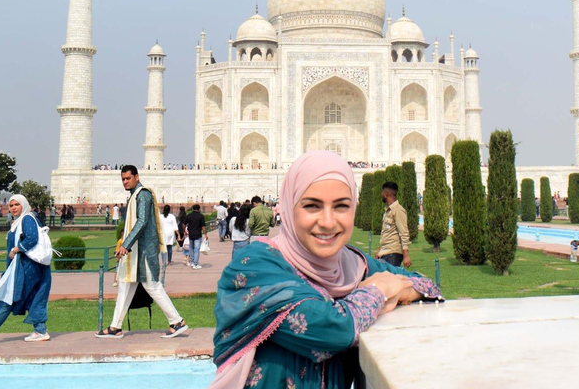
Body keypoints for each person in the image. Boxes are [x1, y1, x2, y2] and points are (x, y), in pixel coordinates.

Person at [209, 150, 442, 388]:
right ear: (290, 207)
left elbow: (428, 286)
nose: (328, 222)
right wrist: (379, 291)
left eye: (341, 206)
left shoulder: (352, 264)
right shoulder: (256, 266)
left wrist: (398, 290)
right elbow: (334, 330)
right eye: (312, 206)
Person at [96, 166, 187, 339]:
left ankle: (177, 321)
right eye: (123, 179)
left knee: (152, 285)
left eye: (128, 178)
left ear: (136, 177)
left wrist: (126, 244)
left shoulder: (143, 194)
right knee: (124, 284)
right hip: (135, 251)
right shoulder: (134, 195)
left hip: (144, 249)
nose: (125, 182)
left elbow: (142, 220)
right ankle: (115, 327)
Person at [0, 194, 52, 344]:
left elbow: (32, 238)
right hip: (27, 266)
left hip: (28, 266)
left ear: (23, 205)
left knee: (9, 296)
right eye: (11, 205)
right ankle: (40, 330)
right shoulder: (19, 221)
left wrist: (16, 249)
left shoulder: (27, 218)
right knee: (32, 296)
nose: (13, 208)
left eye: (17, 204)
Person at [375, 181, 411, 268]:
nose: (381, 194)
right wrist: (379, 251)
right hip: (385, 253)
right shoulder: (388, 211)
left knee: (391, 281)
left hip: (393, 254)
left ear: (385, 194)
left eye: (382, 192)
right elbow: (386, 234)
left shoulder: (398, 210)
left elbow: (404, 233)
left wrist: (406, 256)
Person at [184, 204, 208, 270]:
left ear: (192, 209)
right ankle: (195, 264)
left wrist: (185, 231)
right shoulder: (200, 216)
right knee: (196, 250)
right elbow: (203, 226)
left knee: (191, 248)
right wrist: (205, 234)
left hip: (191, 234)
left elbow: (183, 224)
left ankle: (192, 262)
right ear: (199, 209)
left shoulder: (189, 216)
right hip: (198, 234)